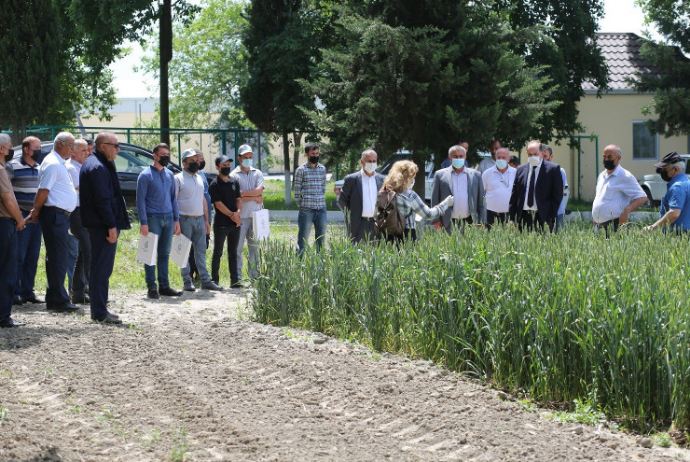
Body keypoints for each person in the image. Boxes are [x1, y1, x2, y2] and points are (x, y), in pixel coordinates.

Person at [79, 132, 130, 324]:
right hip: (101, 226)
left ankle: (100, 308)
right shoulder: (98, 167)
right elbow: (103, 200)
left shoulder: (97, 164)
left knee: (101, 268)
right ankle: (99, 312)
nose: (118, 149)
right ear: (103, 147)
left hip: (99, 224)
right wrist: (111, 225)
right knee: (101, 268)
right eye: (115, 146)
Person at [28, 132, 79, 312]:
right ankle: (58, 299)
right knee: (58, 257)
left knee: (57, 257)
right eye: (71, 145)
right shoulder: (53, 163)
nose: (73, 149)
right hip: (55, 215)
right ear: (60, 144)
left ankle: (55, 296)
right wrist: (37, 211)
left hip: (58, 215)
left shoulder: (58, 162)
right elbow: (43, 191)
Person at [136, 143, 182, 299]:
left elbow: (173, 199)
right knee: (149, 253)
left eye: (167, 154)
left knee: (164, 253)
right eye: (162, 154)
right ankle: (152, 287)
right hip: (152, 218)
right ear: (154, 155)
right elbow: (140, 200)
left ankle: (164, 285)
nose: (166, 157)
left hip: (168, 218)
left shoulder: (170, 175)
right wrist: (143, 222)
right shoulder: (145, 175)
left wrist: (176, 219)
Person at [175, 149, 222, 292]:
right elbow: (174, 200)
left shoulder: (199, 177)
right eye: (191, 161)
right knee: (183, 251)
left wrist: (206, 220)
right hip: (184, 219)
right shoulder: (178, 178)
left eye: (196, 160)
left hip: (200, 219)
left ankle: (205, 280)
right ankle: (187, 281)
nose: (195, 163)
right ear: (184, 163)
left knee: (201, 251)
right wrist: (176, 221)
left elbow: (203, 200)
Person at [5, 136, 44, 306]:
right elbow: (8, 191)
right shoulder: (12, 166)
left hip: (37, 218)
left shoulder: (39, 167)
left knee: (32, 256)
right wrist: (18, 216)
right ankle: (14, 292)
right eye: (36, 148)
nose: (39, 151)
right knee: (18, 256)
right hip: (21, 217)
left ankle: (28, 291)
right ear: (27, 149)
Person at [381, 160, 453, 242]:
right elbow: (428, 214)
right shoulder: (410, 195)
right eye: (413, 177)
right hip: (406, 234)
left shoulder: (385, 191)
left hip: (386, 233)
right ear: (408, 178)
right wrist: (446, 203)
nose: (413, 180)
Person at [0, 133, 27, 327]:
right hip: (4, 223)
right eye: (10, 147)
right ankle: (3, 315)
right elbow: (9, 199)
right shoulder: (1, 170)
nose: (11, 150)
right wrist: (20, 220)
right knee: (7, 270)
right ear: (2, 149)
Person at [592, 144, 647, 237]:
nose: (606, 160)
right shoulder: (602, 176)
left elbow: (642, 197)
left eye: (609, 157)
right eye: (604, 157)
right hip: (598, 226)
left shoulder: (625, 176)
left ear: (619, 158)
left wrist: (627, 210)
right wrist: (596, 217)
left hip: (615, 225)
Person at [508, 140, 563, 232]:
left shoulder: (552, 170)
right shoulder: (520, 170)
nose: (532, 157)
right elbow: (515, 195)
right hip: (523, 217)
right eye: (530, 154)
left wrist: (550, 216)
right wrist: (512, 218)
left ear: (541, 153)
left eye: (535, 154)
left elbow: (557, 196)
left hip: (542, 217)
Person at [431, 145, 484, 233]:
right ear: (449, 158)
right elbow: (435, 199)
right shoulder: (440, 175)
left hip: (470, 222)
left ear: (465, 157)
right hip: (447, 222)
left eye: (461, 156)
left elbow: (481, 201)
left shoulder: (475, 175)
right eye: (455, 156)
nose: (458, 158)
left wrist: (482, 220)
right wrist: (436, 219)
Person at [231, 144, 265, 279]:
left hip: (257, 216)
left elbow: (260, 191)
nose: (249, 160)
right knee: (237, 249)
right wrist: (255, 197)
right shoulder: (234, 175)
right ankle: (237, 277)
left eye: (250, 157)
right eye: (246, 157)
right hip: (241, 217)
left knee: (255, 249)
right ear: (239, 158)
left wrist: (245, 194)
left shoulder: (258, 173)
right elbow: (236, 195)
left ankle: (254, 276)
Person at [209, 155, 243, 288]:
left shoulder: (234, 181)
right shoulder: (215, 184)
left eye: (228, 165)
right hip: (221, 223)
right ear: (218, 167)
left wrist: (238, 213)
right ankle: (215, 280)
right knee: (218, 251)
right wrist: (231, 215)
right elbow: (218, 204)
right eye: (224, 165)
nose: (227, 167)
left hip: (235, 223)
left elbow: (239, 199)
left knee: (233, 252)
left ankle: (234, 281)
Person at [65, 138, 92, 304]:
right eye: (83, 150)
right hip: (77, 213)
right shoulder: (70, 167)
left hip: (85, 212)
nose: (87, 153)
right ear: (73, 152)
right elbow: (83, 188)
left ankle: (78, 293)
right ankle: (95, 290)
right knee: (89, 252)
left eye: (88, 150)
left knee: (82, 255)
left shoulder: (82, 167)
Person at [338, 149, 385, 243]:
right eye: (369, 161)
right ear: (362, 162)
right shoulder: (352, 179)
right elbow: (342, 200)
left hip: (377, 224)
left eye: (374, 161)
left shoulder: (382, 180)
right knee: (358, 254)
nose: (372, 164)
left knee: (377, 255)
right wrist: (352, 214)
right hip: (359, 224)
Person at [644, 151, 690, 233]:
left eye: (665, 169)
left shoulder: (677, 186)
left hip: (677, 235)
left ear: (675, 169)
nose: (662, 172)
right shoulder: (686, 182)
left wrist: (652, 228)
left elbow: (674, 213)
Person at [294, 143, 327, 253]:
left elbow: (323, 187)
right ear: (306, 154)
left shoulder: (322, 169)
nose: (315, 155)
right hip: (307, 210)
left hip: (321, 209)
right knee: (303, 240)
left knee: (321, 240)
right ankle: (300, 264)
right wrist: (302, 205)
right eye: (313, 153)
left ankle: (320, 265)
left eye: (317, 153)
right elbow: (297, 191)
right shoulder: (301, 170)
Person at [188, 148, 212, 281]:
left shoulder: (202, 174)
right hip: (193, 216)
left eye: (202, 159)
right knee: (191, 246)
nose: (202, 162)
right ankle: (190, 272)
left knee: (203, 245)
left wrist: (208, 218)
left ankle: (199, 270)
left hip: (206, 216)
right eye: (200, 159)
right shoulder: (187, 175)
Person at [482, 147, 516, 230]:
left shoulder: (515, 173)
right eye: (498, 158)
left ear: (508, 159)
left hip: (508, 215)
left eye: (503, 158)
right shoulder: (487, 173)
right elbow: (482, 192)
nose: (501, 160)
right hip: (490, 214)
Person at [540, 145, 569, 232]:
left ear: (551, 156)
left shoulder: (560, 171)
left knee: (559, 238)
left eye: (545, 156)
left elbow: (561, 190)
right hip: (542, 211)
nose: (543, 159)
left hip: (558, 211)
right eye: (541, 156)